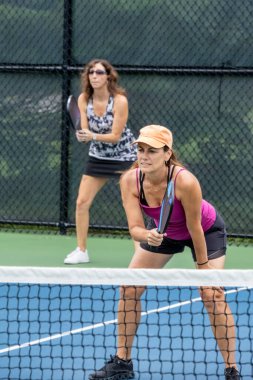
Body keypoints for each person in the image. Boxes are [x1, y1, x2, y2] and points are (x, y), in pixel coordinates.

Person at [89, 125, 241, 380]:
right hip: (163, 233)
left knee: (211, 296)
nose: (144, 155)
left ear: (167, 153)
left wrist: (204, 272)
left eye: (152, 150)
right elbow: (135, 228)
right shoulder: (130, 180)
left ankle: (231, 369)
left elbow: (195, 229)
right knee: (129, 287)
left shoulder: (185, 181)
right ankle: (122, 362)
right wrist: (147, 236)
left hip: (204, 231)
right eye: (140, 149)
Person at [64, 59, 137, 264]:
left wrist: (92, 137)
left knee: (130, 203)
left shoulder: (120, 100)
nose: (94, 76)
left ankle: (140, 251)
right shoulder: (83, 99)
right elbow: (84, 129)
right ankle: (81, 250)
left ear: (108, 77)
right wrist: (83, 135)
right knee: (81, 202)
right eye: (91, 73)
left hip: (125, 155)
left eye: (99, 72)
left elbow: (115, 136)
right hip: (98, 156)